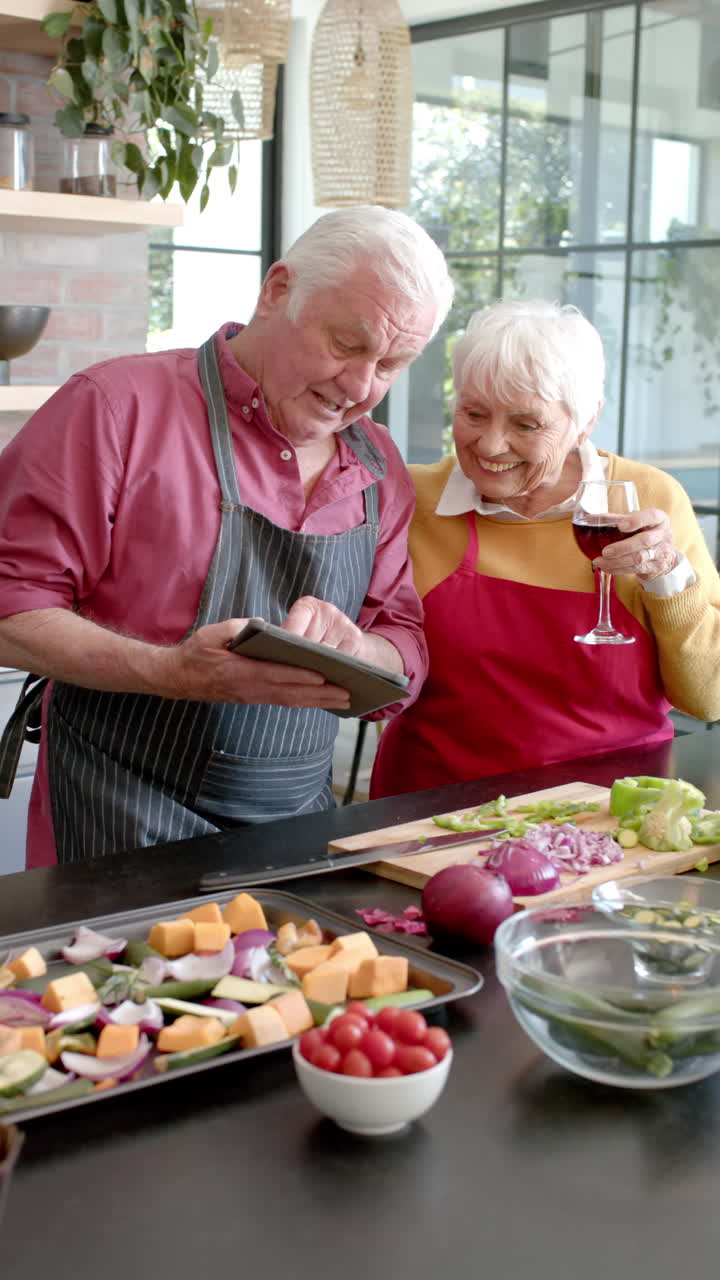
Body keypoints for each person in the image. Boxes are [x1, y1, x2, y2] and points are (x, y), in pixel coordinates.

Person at [0, 205, 454, 866]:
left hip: (295, 839)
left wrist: (364, 652)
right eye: (346, 343)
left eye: (391, 364)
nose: (361, 386)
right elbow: (10, 609)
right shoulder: (116, 408)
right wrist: (173, 671)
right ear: (277, 291)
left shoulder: (379, 466)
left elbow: (404, 645)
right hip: (115, 824)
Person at [370, 298, 720, 799]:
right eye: (473, 413)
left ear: (585, 421)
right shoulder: (411, 497)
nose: (490, 445)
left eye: (526, 425)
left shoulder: (648, 501)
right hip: (429, 811)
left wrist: (666, 575)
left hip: (606, 816)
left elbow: (708, 698)